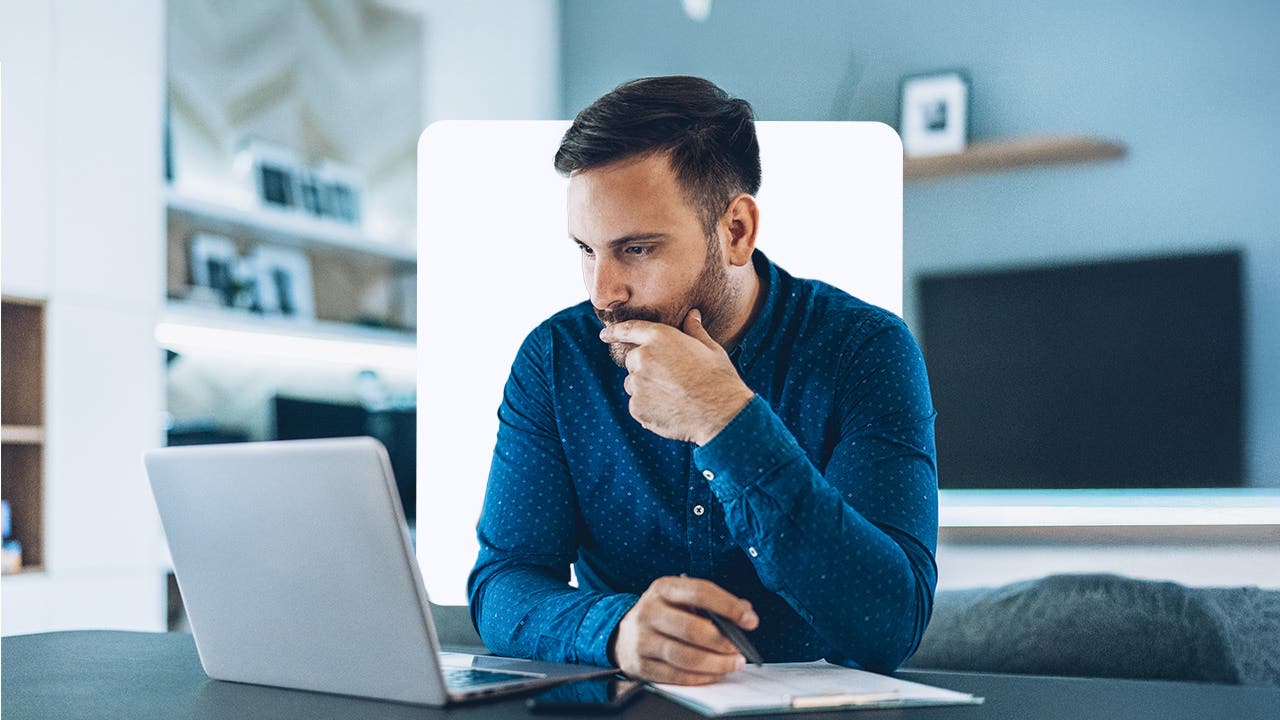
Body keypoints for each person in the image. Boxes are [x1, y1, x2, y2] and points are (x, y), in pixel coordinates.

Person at [468, 76, 938, 686]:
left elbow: (889, 627)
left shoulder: (865, 351)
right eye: (587, 249)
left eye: (636, 249)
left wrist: (727, 419)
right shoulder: (556, 360)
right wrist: (614, 630)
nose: (602, 292)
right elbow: (504, 581)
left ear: (736, 230)